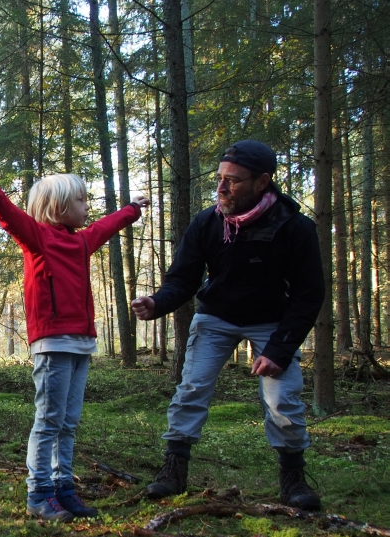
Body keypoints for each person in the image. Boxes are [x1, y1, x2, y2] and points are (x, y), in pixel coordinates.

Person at [131, 140, 324, 510]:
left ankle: (294, 478)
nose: (221, 188)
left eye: (232, 181)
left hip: (273, 322)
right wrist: (157, 303)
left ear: (262, 182)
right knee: (191, 388)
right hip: (216, 317)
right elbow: (183, 280)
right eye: (219, 179)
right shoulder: (207, 222)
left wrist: (280, 350)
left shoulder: (295, 228)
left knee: (282, 399)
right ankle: (173, 470)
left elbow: (308, 296)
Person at [0, 159, 150, 522]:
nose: (86, 207)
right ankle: (39, 493)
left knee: (69, 422)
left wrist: (132, 210)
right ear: (59, 207)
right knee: (49, 420)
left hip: (82, 343)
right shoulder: (37, 237)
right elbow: (7, 214)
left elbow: (106, 226)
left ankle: (64, 487)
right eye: (81, 201)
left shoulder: (81, 242)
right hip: (53, 343)